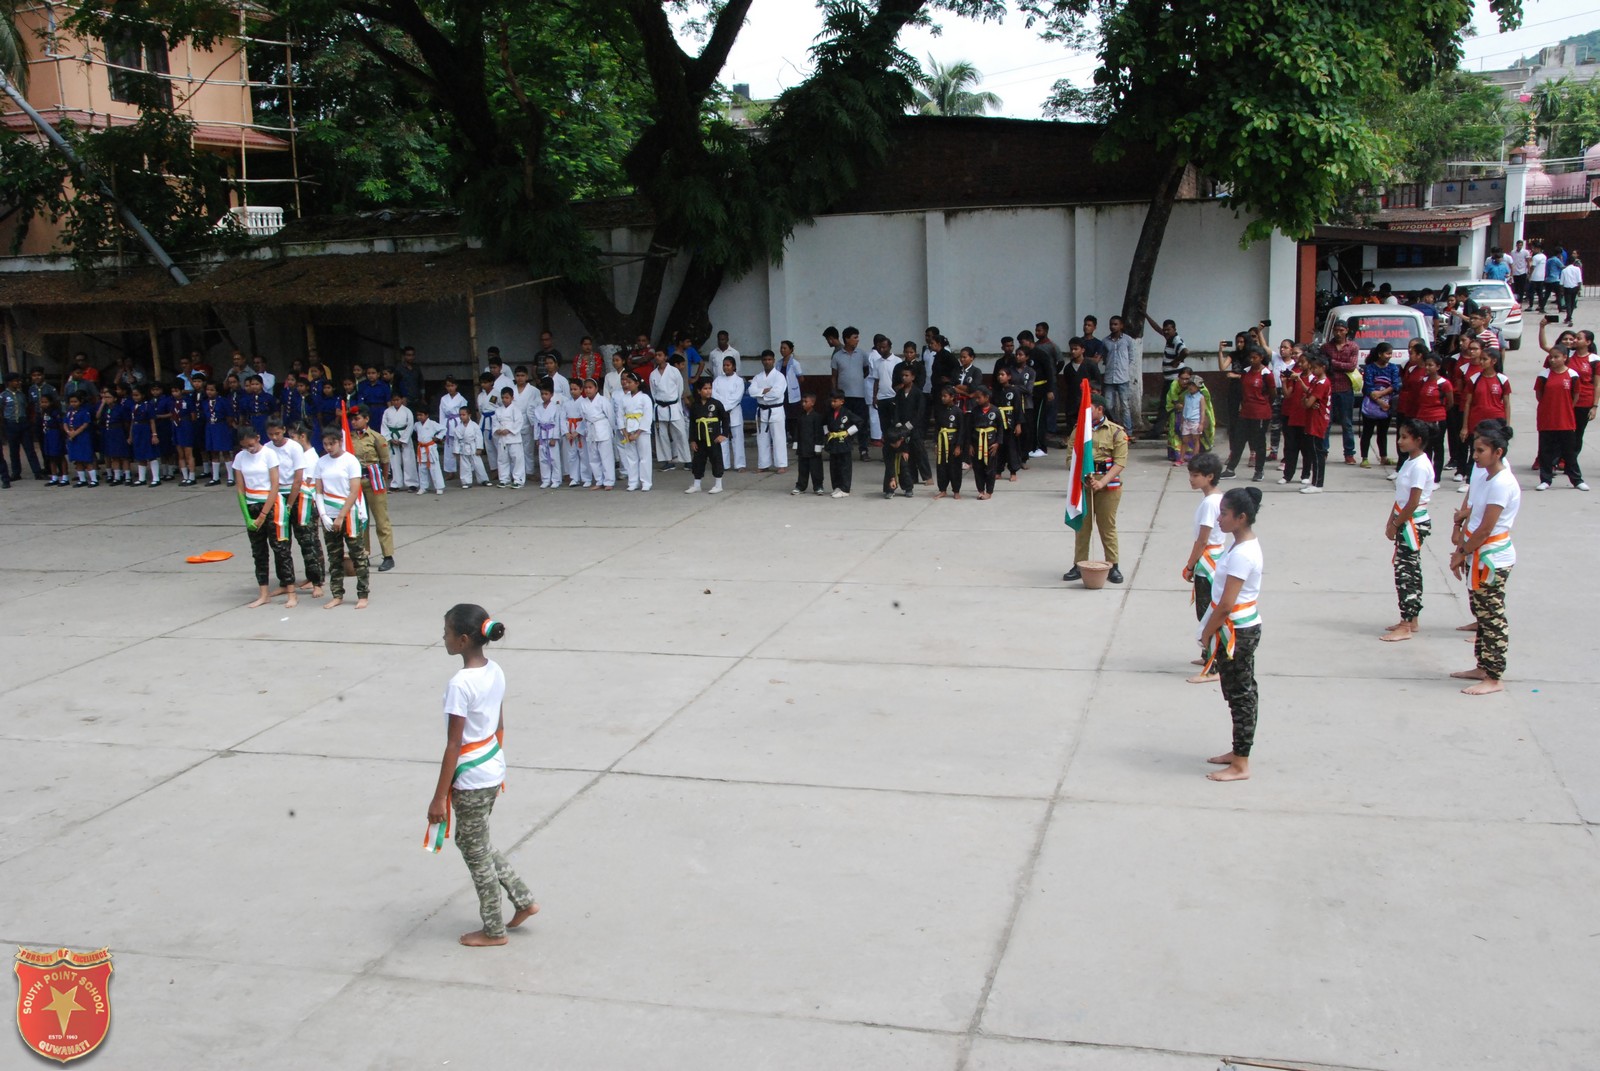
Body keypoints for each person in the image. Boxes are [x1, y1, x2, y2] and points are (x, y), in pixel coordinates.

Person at [425, 604, 537, 946]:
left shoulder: (460, 684)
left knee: (475, 853)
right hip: (491, 766)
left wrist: (438, 798)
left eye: (446, 632)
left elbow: (453, 744)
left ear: (462, 640)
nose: (443, 637)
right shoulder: (495, 670)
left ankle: (493, 929)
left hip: (471, 777)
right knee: (475, 841)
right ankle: (523, 899)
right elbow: (499, 723)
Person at [1199, 486, 1264, 782]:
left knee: (1241, 695)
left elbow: (1226, 604)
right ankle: (1238, 752)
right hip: (1236, 627)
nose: (1219, 519)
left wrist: (1207, 633)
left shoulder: (1243, 554)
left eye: (1224, 514)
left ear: (1241, 517)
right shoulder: (1238, 545)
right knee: (1238, 691)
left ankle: (1241, 764)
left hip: (1237, 629)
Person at [1449, 422, 1520, 695]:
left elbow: (1486, 528)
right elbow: (1473, 516)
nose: (1475, 456)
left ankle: (1494, 676)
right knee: (1481, 612)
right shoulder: (1487, 478)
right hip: (1478, 553)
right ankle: (1483, 666)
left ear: (1498, 452)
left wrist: (1462, 553)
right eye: (1474, 450)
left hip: (1493, 557)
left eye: (1481, 451)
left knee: (1492, 618)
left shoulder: (1502, 483)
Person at [1063, 392, 1128, 585]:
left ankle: (1113, 565)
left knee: (1107, 526)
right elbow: (1071, 458)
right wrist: (1083, 476)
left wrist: (1102, 482)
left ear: (1100, 409)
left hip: (1108, 485)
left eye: (1089, 409)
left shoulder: (1116, 432)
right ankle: (1079, 564)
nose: (1084, 412)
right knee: (1082, 526)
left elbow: (1120, 462)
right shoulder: (1079, 431)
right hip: (1084, 484)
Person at [1381, 419, 1435, 643]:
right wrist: (1391, 521)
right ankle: (1411, 619)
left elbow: (1412, 502)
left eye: (1405, 437)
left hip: (1412, 523)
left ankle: (1406, 623)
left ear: (1418, 440)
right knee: (1410, 569)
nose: (1400, 441)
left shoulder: (1420, 466)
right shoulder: (1410, 462)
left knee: (1406, 573)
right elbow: (1401, 498)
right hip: (1404, 518)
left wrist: (1396, 524)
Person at [232, 425, 293, 609]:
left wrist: (263, 515)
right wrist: (248, 517)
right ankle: (264, 593)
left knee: (281, 549)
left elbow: (274, 486)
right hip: (251, 504)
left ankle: (291, 591)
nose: (249, 449)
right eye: (245, 446)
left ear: (257, 438)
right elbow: (240, 488)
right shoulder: (240, 457)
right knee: (258, 551)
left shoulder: (269, 454)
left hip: (270, 505)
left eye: (251, 445)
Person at [266, 418, 324, 600]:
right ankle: (285, 582)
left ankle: (316, 582)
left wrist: (289, 504)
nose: (275, 437)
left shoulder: (294, 447)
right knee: (280, 542)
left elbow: (298, 479)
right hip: (277, 494)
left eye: (277, 433)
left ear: (284, 430)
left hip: (297, 494)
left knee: (307, 540)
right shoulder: (267, 449)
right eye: (271, 434)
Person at [1183, 453, 1228, 683]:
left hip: (1207, 560)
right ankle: (1207, 655)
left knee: (1206, 612)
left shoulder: (1210, 503)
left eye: (1196, 475)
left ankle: (1214, 665)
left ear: (1209, 476)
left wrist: (1190, 565)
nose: (1191, 479)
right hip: (1215, 557)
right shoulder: (1217, 498)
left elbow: (1202, 539)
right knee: (1207, 609)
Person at [315, 428, 369, 609]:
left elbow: (354, 491)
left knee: (357, 555)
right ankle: (337, 594)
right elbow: (318, 490)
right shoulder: (321, 462)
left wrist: (340, 516)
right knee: (334, 556)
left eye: (332, 443)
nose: (329, 447)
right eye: (325, 444)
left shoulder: (350, 461)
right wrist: (323, 515)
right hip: (328, 514)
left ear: (339, 441)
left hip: (348, 513)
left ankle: (363, 594)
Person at [347, 406, 396, 571]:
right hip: (356, 482)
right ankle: (363, 554)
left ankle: (388, 556)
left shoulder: (376, 437)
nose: (354, 422)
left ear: (366, 419)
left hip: (373, 479)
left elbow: (385, 461)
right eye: (352, 419)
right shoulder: (348, 437)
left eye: (357, 418)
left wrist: (383, 480)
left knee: (381, 519)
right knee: (361, 520)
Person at [1534, 349, 1586, 491]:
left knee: (1569, 452)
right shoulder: (1543, 375)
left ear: (1564, 357)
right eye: (1551, 357)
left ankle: (1577, 480)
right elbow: (1539, 395)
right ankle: (1545, 480)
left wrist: (1566, 408)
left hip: (1565, 420)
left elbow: (1575, 395)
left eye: (1556, 357)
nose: (1552, 360)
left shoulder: (1572, 375)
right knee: (1545, 452)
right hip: (1547, 420)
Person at [1224, 347, 1274, 481]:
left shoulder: (1266, 374)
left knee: (1259, 442)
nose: (1252, 360)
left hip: (1260, 413)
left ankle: (1259, 471)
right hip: (1245, 412)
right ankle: (1230, 469)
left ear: (1261, 358)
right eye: (1250, 358)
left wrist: (1262, 404)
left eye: (1254, 358)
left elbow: (1272, 393)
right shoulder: (1245, 372)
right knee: (1238, 440)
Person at [1319, 321, 1359, 464]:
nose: (1338, 333)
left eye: (1341, 330)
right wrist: (1336, 364)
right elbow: (1323, 365)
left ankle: (1349, 453)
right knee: (1326, 421)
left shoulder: (1352, 346)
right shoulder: (1326, 347)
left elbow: (1352, 366)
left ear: (1346, 330)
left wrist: (1333, 363)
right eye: (1336, 330)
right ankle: (1323, 451)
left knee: (1347, 423)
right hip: (1328, 389)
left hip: (1345, 388)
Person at [831, 327, 872, 461]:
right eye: (855, 337)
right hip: (844, 397)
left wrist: (856, 380)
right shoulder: (837, 356)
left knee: (862, 424)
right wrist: (835, 394)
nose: (857, 340)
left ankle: (863, 450)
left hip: (860, 396)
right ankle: (843, 449)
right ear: (847, 339)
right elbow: (834, 376)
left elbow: (866, 370)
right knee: (843, 423)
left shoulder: (862, 354)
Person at [1358, 343, 1402, 469]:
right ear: (1379, 354)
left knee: (1383, 433)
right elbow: (1368, 387)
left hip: (1387, 404)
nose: (1389, 356)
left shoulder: (1393, 368)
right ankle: (1364, 458)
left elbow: (1395, 385)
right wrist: (1379, 401)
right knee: (1367, 432)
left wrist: (1381, 395)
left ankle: (1384, 457)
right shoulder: (1370, 368)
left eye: (1390, 353)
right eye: (1387, 353)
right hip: (1371, 405)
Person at [685, 376, 729, 495]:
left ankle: (718, 484)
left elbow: (725, 419)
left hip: (714, 438)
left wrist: (723, 434)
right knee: (698, 461)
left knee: (716, 460)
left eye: (710, 388)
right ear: (699, 391)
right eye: (705, 389)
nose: (708, 391)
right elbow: (692, 424)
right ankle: (697, 484)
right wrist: (692, 440)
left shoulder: (716, 404)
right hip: (700, 439)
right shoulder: (695, 406)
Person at [1298, 352, 1332, 494]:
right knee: (1312, 452)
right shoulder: (1315, 382)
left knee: (1317, 453)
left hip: (1318, 420)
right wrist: (1307, 400)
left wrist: (1308, 401)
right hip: (1311, 418)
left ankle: (1318, 483)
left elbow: (1308, 402)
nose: (1312, 370)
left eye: (1315, 368)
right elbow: (1306, 399)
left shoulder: (1322, 383)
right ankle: (1314, 481)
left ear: (1323, 367)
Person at [748, 350, 788, 473]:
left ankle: (781, 464)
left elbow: (777, 393)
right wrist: (765, 391)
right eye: (765, 360)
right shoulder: (758, 377)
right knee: (762, 439)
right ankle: (763, 464)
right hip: (762, 410)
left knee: (778, 438)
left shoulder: (779, 376)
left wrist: (760, 393)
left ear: (773, 360)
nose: (767, 362)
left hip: (776, 409)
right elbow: (751, 391)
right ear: (762, 361)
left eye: (769, 359)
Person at [649, 350, 690, 469]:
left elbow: (680, 388)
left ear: (665, 357)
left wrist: (674, 401)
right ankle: (668, 460)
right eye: (656, 355)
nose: (657, 357)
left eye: (660, 355)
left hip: (673, 406)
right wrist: (659, 402)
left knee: (681, 433)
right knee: (661, 435)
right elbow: (653, 392)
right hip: (660, 407)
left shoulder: (674, 371)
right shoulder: (653, 374)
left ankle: (687, 460)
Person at [1, 372, 44, 482]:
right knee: (14, 450)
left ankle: (37, 472)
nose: (18, 383)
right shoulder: (3, 396)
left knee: (30, 449)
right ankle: (16, 473)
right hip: (11, 424)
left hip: (23, 423)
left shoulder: (21, 394)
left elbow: (27, 408)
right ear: (9, 382)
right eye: (16, 381)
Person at [616, 371, 653, 492]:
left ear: (637, 383)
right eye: (626, 382)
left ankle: (646, 482)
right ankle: (633, 482)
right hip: (628, 429)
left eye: (630, 382)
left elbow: (647, 416)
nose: (627, 384)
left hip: (641, 431)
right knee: (631, 457)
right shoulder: (624, 398)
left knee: (644, 457)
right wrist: (624, 432)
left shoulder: (644, 398)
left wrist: (638, 433)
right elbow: (620, 415)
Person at [1100, 316, 1137, 434]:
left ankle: (1128, 431)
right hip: (1109, 378)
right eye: (1111, 324)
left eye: (1116, 324)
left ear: (1121, 326)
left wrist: (1123, 368)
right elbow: (1104, 357)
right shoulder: (1105, 341)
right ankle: (1115, 425)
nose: (1113, 326)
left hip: (1123, 378)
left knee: (1125, 406)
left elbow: (1131, 357)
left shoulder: (1128, 340)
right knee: (1108, 405)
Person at [711, 357, 747, 472]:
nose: (726, 367)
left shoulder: (739, 381)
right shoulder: (718, 380)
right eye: (724, 365)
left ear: (734, 366)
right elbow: (714, 394)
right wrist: (722, 408)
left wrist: (725, 407)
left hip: (734, 411)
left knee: (738, 438)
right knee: (723, 438)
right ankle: (724, 464)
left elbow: (736, 397)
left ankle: (740, 464)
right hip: (721, 413)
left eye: (728, 365)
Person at [579, 379, 615, 489]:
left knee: (606, 457)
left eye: (590, 387)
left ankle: (609, 481)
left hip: (603, 429)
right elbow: (583, 419)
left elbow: (611, 416)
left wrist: (612, 430)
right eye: (586, 388)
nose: (588, 390)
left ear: (596, 389)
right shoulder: (583, 402)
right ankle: (599, 480)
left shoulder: (603, 400)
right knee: (593, 458)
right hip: (590, 430)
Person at [789, 393, 827, 495]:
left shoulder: (817, 417)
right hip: (802, 448)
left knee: (816, 469)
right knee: (802, 469)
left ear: (812, 403)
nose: (803, 404)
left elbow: (819, 432)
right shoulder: (800, 416)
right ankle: (800, 486)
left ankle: (818, 486)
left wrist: (818, 445)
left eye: (806, 402)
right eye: (803, 401)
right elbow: (797, 430)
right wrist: (796, 442)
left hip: (813, 449)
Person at [824, 390, 860, 498]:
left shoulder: (847, 413)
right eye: (831, 401)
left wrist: (849, 432)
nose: (832, 403)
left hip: (844, 442)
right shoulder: (829, 413)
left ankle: (845, 489)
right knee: (834, 466)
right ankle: (837, 486)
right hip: (833, 442)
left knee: (845, 466)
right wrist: (827, 433)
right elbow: (824, 423)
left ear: (842, 401)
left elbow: (859, 422)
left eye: (835, 401)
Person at [992, 365, 1025, 482]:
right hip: (999, 423)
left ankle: (1013, 471)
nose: (1000, 377)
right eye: (999, 375)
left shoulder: (1014, 391)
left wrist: (1018, 424)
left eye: (1003, 375)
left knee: (1011, 447)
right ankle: (998, 470)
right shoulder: (996, 391)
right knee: (999, 447)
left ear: (1009, 377)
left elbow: (1018, 408)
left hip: (1010, 423)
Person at [932, 385, 964, 500]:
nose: (943, 398)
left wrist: (958, 446)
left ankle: (956, 490)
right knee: (941, 467)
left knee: (955, 467)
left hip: (953, 443)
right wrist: (936, 444)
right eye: (942, 396)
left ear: (952, 397)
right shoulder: (939, 410)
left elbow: (961, 430)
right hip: (942, 442)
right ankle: (942, 490)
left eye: (945, 396)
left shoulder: (958, 412)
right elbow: (937, 428)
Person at [382, 392, 419, 491]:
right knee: (394, 462)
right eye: (394, 400)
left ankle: (412, 483)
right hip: (392, 436)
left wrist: (403, 440)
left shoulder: (407, 411)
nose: (396, 402)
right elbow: (384, 426)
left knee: (408, 460)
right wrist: (389, 438)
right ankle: (396, 483)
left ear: (402, 400)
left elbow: (410, 425)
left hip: (404, 435)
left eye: (398, 400)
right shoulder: (387, 411)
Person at [495, 386, 529, 488]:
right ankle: (504, 479)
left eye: (507, 397)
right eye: (503, 398)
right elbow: (495, 422)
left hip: (514, 438)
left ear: (512, 398)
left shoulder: (515, 409)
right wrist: (497, 429)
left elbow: (519, 422)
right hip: (502, 438)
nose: (504, 400)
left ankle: (518, 480)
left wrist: (509, 430)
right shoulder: (498, 410)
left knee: (517, 460)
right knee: (502, 459)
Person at [437, 378, 469, 485]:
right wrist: (441, 430)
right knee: (448, 449)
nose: (450, 388)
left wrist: (465, 425)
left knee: (461, 448)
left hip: (458, 422)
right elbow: (442, 414)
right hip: (447, 423)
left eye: (452, 386)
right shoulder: (443, 399)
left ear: (456, 386)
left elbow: (465, 413)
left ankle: (464, 471)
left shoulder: (462, 399)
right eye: (448, 386)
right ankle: (450, 472)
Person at [455, 405, 488, 488]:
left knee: (478, 464)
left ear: (469, 415)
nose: (461, 417)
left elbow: (479, 437)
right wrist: (456, 451)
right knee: (464, 466)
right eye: (460, 415)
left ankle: (484, 480)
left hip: (473, 447)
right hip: (463, 448)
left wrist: (479, 448)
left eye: (464, 415)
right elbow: (456, 440)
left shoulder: (474, 425)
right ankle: (466, 482)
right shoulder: (458, 427)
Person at [414, 410, 446, 495]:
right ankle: (423, 487)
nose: (419, 417)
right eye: (418, 415)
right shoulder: (416, 425)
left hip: (430, 448)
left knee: (434, 468)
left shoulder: (432, 423)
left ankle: (439, 487)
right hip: (421, 448)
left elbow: (444, 429)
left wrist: (438, 437)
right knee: (422, 468)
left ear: (427, 415)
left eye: (421, 415)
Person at [39, 393, 66, 486]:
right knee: (50, 457)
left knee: (60, 456)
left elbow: (60, 424)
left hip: (56, 434)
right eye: (42, 402)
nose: (44, 404)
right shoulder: (44, 412)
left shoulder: (55, 412)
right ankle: (54, 477)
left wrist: (62, 435)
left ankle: (65, 477)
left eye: (46, 402)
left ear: (51, 402)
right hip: (47, 434)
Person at [1559, 255, 1583, 326]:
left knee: (1568, 303)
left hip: (1567, 288)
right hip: (1575, 287)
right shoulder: (1577, 269)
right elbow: (1579, 280)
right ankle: (1569, 316)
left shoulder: (1564, 270)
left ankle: (1568, 317)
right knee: (1573, 303)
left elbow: (1561, 282)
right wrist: (1579, 289)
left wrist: (1561, 291)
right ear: (1573, 262)